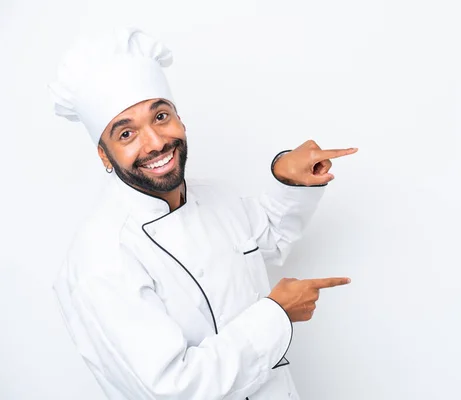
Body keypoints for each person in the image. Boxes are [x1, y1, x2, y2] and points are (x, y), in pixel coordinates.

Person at [49, 27, 357, 400]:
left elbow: (269, 242)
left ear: (179, 117)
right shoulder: (100, 261)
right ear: (104, 155)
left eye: (160, 116)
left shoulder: (214, 196)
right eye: (126, 134)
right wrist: (276, 314)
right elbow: (173, 389)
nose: (156, 142)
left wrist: (288, 180)